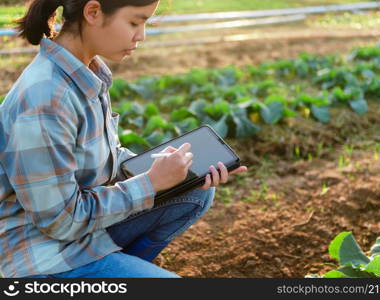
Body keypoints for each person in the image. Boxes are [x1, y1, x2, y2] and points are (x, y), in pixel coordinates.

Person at [0, 0, 247, 278]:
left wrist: (167, 168)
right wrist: (151, 183)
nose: (141, 35)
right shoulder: (46, 99)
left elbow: (108, 158)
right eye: (134, 22)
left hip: (78, 234)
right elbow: (60, 221)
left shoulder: (87, 72)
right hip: (41, 254)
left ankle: (118, 271)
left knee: (193, 189)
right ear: (93, 12)